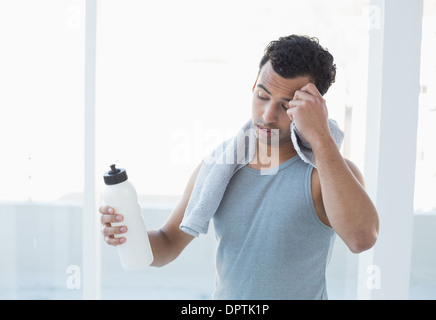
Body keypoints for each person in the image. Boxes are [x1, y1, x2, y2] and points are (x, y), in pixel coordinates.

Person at [99, 35, 379, 299]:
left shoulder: (325, 175)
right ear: (253, 85)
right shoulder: (219, 167)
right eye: (262, 95)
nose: (267, 115)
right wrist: (129, 234)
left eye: (286, 105)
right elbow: (167, 245)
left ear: (313, 107)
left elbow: (361, 239)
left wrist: (321, 137)